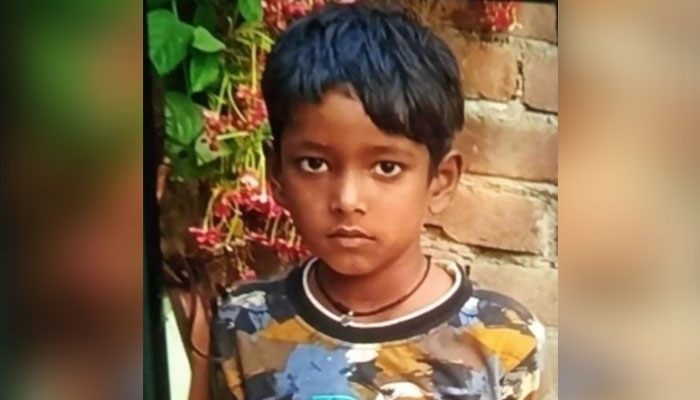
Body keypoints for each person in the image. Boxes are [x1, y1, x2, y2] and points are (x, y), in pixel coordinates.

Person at [190, 3, 546, 399]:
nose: (347, 200)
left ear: (440, 182)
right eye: (314, 164)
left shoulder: (503, 340)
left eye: (386, 168)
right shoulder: (245, 325)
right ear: (277, 177)